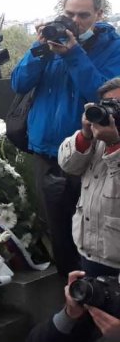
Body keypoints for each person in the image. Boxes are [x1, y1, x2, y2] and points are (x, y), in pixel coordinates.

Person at [11, 0, 120, 278]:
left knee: (96, 235)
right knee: (60, 235)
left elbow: (103, 96)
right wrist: (38, 50)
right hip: (49, 153)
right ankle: (71, 295)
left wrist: (73, 54)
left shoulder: (113, 48)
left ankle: (100, 294)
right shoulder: (49, 43)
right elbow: (19, 83)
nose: (75, 21)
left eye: (84, 15)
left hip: (92, 154)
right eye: (70, 14)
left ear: (99, 14)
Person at [58, 78, 120, 278]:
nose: (112, 112)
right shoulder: (98, 136)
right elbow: (68, 165)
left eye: (117, 105)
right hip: (90, 250)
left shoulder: (109, 138)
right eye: (107, 105)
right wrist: (85, 135)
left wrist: (114, 144)